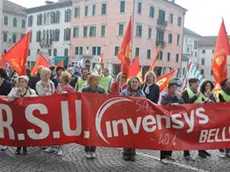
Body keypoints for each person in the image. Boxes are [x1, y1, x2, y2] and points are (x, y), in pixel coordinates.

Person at [7, 75, 37, 155]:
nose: (20, 83)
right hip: (17, 114)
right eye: (19, 82)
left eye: (22, 82)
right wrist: (17, 92)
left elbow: (36, 98)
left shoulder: (31, 91)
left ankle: (25, 147)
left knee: (25, 130)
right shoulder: (14, 90)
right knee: (18, 131)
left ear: (26, 83)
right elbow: (9, 98)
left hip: (27, 114)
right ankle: (18, 147)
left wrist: (29, 97)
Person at [120, 77, 145, 161]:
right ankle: (126, 152)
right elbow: (119, 103)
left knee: (134, 136)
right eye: (133, 82)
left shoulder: (142, 94)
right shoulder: (124, 92)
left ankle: (132, 153)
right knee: (126, 135)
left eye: (136, 82)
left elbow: (144, 106)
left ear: (138, 84)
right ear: (130, 83)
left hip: (136, 118)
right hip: (126, 117)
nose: (134, 83)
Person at [82, 73, 105, 159]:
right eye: (95, 80)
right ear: (90, 81)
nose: (97, 81)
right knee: (87, 133)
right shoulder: (85, 90)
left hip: (97, 114)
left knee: (95, 133)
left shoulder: (101, 91)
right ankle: (87, 150)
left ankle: (93, 150)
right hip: (88, 114)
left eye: (98, 80)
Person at [160, 82, 184, 164]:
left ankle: (169, 154)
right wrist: (173, 104)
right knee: (165, 138)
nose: (174, 89)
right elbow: (163, 105)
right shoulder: (165, 96)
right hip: (166, 120)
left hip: (174, 121)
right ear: (169, 89)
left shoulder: (178, 97)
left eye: (175, 88)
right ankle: (162, 157)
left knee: (172, 138)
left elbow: (183, 105)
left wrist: (178, 97)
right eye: (172, 88)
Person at [182, 78, 201, 160]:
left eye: (197, 83)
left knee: (198, 135)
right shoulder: (186, 92)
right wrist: (195, 97)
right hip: (188, 117)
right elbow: (186, 103)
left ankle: (201, 151)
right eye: (195, 83)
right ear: (190, 83)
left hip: (198, 117)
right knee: (188, 135)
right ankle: (186, 153)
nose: (197, 84)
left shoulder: (198, 92)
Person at [0, 68, 12, 151]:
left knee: (3, 125)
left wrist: (4, 97)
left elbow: (10, 95)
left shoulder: (7, 84)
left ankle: (4, 143)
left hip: (5, 107)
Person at [218, 78, 230, 158]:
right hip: (224, 117)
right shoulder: (221, 93)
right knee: (225, 134)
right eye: (229, 82)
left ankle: (228, 151)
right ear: (225, 84)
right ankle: (223, 150)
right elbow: (221, 106)